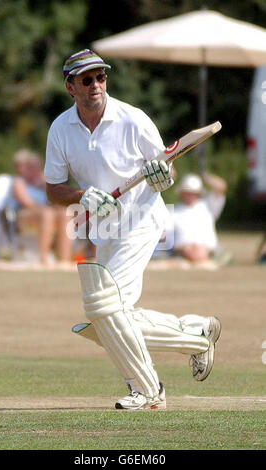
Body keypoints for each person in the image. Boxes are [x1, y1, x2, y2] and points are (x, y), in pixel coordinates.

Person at [44, 49, 222, 410]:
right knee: (108, 319)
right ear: (70, 87)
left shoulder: (132, 119)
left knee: (105, 308)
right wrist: (82, 195)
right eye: (86, 79)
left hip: (142, 219)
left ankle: (148, 389)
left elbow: (165, 168)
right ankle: (196, 334)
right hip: (105, 228)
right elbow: (52, 188)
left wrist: (161, 177)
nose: (96, 85)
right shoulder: (61, 129)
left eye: (101, 77)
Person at [9, 149, 73, 265]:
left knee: (64, 213)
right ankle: (43, 258)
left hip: (45, 211)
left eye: (37, 167)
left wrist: (44, 184)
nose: (35, 170)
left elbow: (56, 199)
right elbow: (26, 203)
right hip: (23, 214)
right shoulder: (19, 182)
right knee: (47, 214)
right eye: (31, 167)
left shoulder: (43, 182)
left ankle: (64, 259)